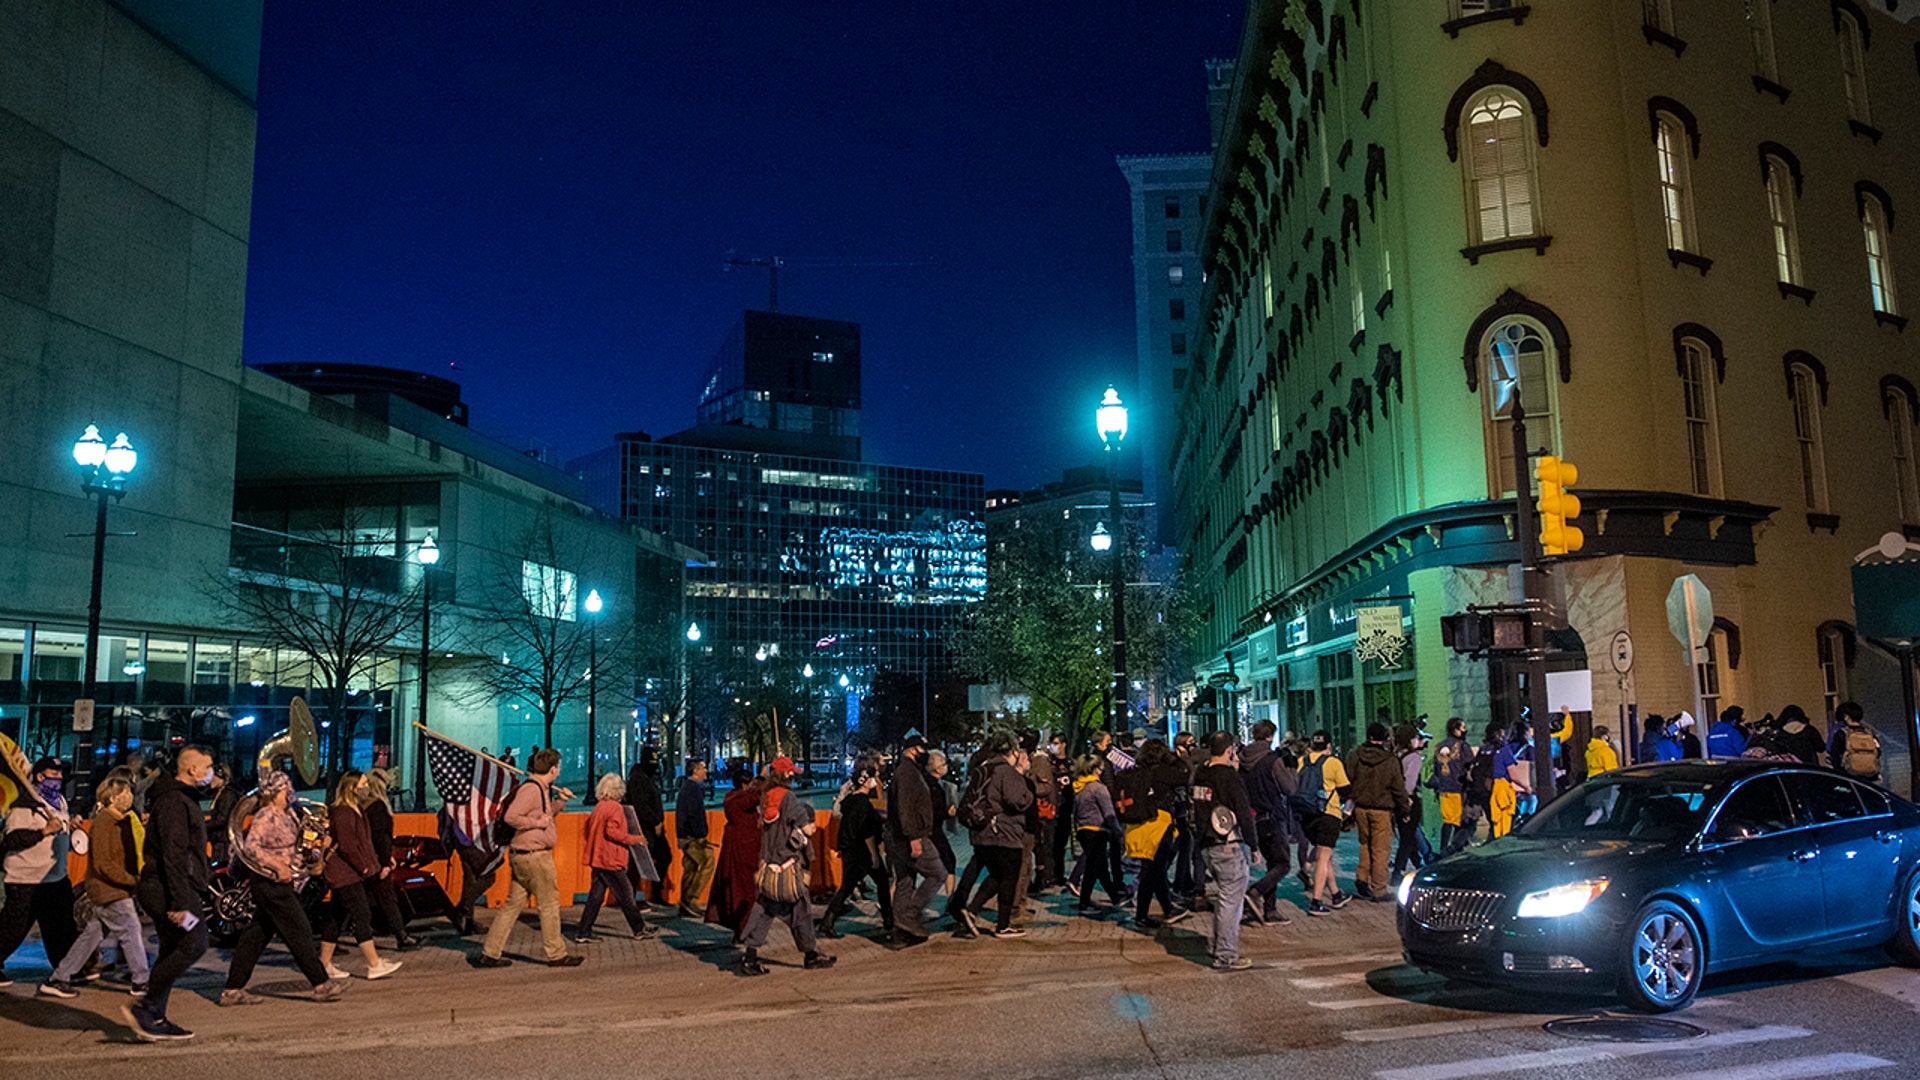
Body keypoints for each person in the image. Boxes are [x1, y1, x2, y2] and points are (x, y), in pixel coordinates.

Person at [214, 771, 345, 1005]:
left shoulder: (288, 816)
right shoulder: (266, 816)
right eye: (286, 789)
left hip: (283, 881)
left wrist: (318, 845)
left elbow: (298, 845)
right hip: (270, 882)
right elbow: (251, 848)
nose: (291, 792)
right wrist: (276, 864)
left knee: (255, 936)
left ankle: (232, 990)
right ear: (275, 793)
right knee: (299, 930)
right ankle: (321, 984)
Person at [126, 745, 215, 1042]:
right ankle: (147, 1006)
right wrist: (179, 902)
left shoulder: (178, 799)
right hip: (170, 889)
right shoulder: (175, 802)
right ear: (193, 770)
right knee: (195, 942)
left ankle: (155, 1017)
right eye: (208, 766)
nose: (211, 772)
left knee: (172, 946)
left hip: (170, 886)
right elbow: (174, 854)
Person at [41, 776, 149, 999]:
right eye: (124, 793)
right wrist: (131, 880)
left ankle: (59, 977)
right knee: (131, 931)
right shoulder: (104, 823)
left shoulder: (117, 821)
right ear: (112, 797)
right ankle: (142, 981)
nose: (129, 796)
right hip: (111, 890)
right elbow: (103, 864)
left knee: (91, 935)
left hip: (109, 889)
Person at [474, 748, 581, 968]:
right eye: (558, 767)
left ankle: (491, 952)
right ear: (553, 769)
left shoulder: (538, 789)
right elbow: (512, 816)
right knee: (549, 904)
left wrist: (559, 803)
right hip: (535, 857)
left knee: (512, 905)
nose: (558, 771)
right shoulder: (532, 790)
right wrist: (537, 824)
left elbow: (543, 815)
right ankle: (556, 953)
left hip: (523, 855)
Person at [739, 756, 835, 975]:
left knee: (764, 910)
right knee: (801, 910)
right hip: (788, 866)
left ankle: (750, 955)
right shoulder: (789, 798)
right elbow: (807, 827)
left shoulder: (766, 796)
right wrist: (806, 830)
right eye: (790, 772)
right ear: (783, 774)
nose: (793, 775)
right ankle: (810, 954)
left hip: (769, 864)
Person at [318, 770, 402, 981]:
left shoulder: (355, 810)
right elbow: (349, 846)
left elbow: (364, 843)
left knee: (336, 918)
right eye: (363, 783)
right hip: (345, 874)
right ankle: (373, 963)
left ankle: (324, 964)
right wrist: (366, 867)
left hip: (348, 873)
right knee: (362, 914)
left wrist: (377, 861)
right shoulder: (344, 813)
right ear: (352, 788)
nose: (367, 786)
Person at [1, 758, 76, 987]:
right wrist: (44, 831)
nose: (59, 778)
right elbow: (12, 839)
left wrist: (70, 827)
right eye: (54, 773)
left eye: (61, 773)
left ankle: (66, 969)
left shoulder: (59, 802)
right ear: (40, 776)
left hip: (54, 877)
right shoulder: (25, 805)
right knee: (13, 928)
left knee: (60, 927)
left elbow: (59, 831)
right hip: (25, 879)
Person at [1192, 730, 1255, 972]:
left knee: (1225, 898)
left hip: (1207, 844)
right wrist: (1253, 844)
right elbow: (1243, 809)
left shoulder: (1202, 773)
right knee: (1231, 900)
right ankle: (1226, 955)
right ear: (1230, 750)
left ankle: (1219, 946)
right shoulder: (1228, 776)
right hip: (1227, 845)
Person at [963, 731, 1034, 938]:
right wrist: (1026, 787)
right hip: (1004, 833)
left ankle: (972, 909)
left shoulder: (983, 768)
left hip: (983, 832)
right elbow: (1017, 800)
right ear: (1012, 750)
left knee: (996, 875)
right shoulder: (1007, 772)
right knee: (1008, 879)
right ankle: (1003, 925)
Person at [576, 773, 657, 942]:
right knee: (626, 895)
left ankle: (583, 931)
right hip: (611, 859)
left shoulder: (599, 807)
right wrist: (634, 839)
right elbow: (612, 832)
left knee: (596, 896)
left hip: (598, 857)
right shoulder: (615, 808)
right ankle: (639, 929)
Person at [819, 759, 892, 938]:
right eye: (873, 777)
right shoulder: (863, 804)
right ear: (865, 780)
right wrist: (874, 855)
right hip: (863, 850)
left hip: (849, 849)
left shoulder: (850, 801)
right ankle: (889, 920)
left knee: (847, 885)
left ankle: (827, 922)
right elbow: (866, 831)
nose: (876, 780)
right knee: (882, 881)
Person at [886, 735, 946, 945]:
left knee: (905, 882)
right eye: (922, 749)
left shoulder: (908, 771)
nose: (925, 754)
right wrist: (914, 837)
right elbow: (906, 807)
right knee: (938, 874)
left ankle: (900, 932)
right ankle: (908, 917)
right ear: (912, 750)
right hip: (910, 836)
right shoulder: (907, 773)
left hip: (899, 837)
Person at [1345, 723, 1409, 903]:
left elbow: (1348, 779)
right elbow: (1398, 788)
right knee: (1381, 850)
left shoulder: (1355, 755)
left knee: (1365, 844)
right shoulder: (1390, 760)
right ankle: (1379, 889)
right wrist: (1404, 808)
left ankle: (1362, 878)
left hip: (1360, 807)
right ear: (1385, 738)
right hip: (1381, 809)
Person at [1240, 720, 1295, 925]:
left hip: (1254, 817)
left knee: (1273, 863)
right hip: (1272, 815)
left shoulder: (1243, 759)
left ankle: (1270, 911)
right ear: (1270, 736)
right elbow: (1289, 788)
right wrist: (1291, 768)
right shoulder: (1273, 760)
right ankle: (1255, 892)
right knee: (1282, 864)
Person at [361, 769, 418, 951]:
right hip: (376, 860)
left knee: (351, 900)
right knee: (387, 899)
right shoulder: (378, 807)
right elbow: (381, 837)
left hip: (362, 859)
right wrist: (386, 861)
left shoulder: (362, 806)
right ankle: (401, 935)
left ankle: (333, 937)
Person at [1295, 731, 1351, 915]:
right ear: (1328, 746)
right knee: (1323, 857)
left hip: (1308, 815)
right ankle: (1316, 901)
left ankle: (1336, 894)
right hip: (1328, 814)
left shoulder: (1303, 761)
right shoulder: (1333, 763)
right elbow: (1345, 789)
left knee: (1325, 855)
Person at [707, 763, 764, 941]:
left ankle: (741, 928)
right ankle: (743, 928)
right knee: (744, 890)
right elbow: (756, 797)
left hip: (738, 850)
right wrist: (762, 778)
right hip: (743, 852)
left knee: (739, 889)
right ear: (744, 785)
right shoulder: (739, 800)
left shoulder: (732, 798)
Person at [1070, 755, 1126, 915]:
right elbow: (1109, 813)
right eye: (1101, 769)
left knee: (1100, 868)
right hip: (1097, 831)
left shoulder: (1079, 787)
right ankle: (1085, 902)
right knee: (1093, 869)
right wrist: (1117, 831)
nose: (1102, 772)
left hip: (1084, 831)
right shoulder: (1098, 788)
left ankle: (1115, 898)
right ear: (1095, 769)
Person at [440, 804, 498, 936]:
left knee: (470, 882)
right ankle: (462, 908)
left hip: (461, 842)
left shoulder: (456, 796)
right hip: (472, 842)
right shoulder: (467, 797)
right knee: (489, 876)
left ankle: (468, 922)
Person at [624, 748, 671, 904]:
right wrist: (655, 821)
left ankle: (654, 894)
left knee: (662, 857)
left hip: (652, 827)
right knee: (638, 864)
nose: (655, 766)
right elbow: (641, 805)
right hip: (644, 828)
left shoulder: (645, 777)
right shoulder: (639, 779)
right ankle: (632, 897)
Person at [675, 759, 716, 918]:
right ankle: (690, 899)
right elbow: (694, 815)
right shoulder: (693, 790)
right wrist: (700, 834)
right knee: (707, 861)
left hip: (687, 836)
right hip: (693, 837)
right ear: (696, 770)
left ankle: (685, 902)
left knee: (690, 868)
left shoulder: (687, 788)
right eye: (704, 768)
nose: (706, 771)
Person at [1391, 725, 1430, 878]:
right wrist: (1406, 800)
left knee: (1407, 834)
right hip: (1409, 800)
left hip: (1396, 799)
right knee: (1407, 837)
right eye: (1416, 738)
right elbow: (1410, 782)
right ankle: (1398, 871)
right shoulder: (1414, 758)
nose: (1418, 741)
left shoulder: (1396, 755)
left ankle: (1418, 863)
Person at [1429, 718, 1471, 855]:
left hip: (1444, 788)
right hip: (1458, 787)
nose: (1464, 730)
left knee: (1448, 820)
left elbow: (1435, 768)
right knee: (1459, 820)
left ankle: (1443, 847)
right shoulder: (1462, 746)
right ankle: (1455, 848)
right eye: (1462, 728)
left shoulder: (1440, 746)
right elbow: (1469, 763)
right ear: (1456, 730)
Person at [1828, 702, 1883, 781]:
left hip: (1849, 777)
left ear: (1846, 717)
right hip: (1870, 777)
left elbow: (1834, 755)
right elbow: (1878, 752)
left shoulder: (1842, 734)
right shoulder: (1870, 734)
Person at [205, 764, 240, 866]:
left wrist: (204, 826)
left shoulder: (228, 795)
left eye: (212, 777)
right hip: (218, 839)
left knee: (219, 867)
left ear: (221, 777)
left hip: (223, 841)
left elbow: (222, 819)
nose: (210, 780)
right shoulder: (218, 793)